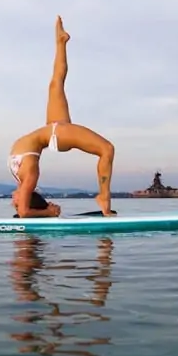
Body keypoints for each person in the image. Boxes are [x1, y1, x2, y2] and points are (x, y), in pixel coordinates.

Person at [9, 15, 115, 218]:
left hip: (51, 130)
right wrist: (49, 211)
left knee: (56, 83)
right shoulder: (29, 175)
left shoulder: (21, 175)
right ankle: (104, 197)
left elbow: (22, 209)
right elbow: (23, 212)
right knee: (107, 149)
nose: (12, 201)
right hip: (55, 133)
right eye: (15, 202)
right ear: (28, 195)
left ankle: (61, 42)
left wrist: (41, 208)